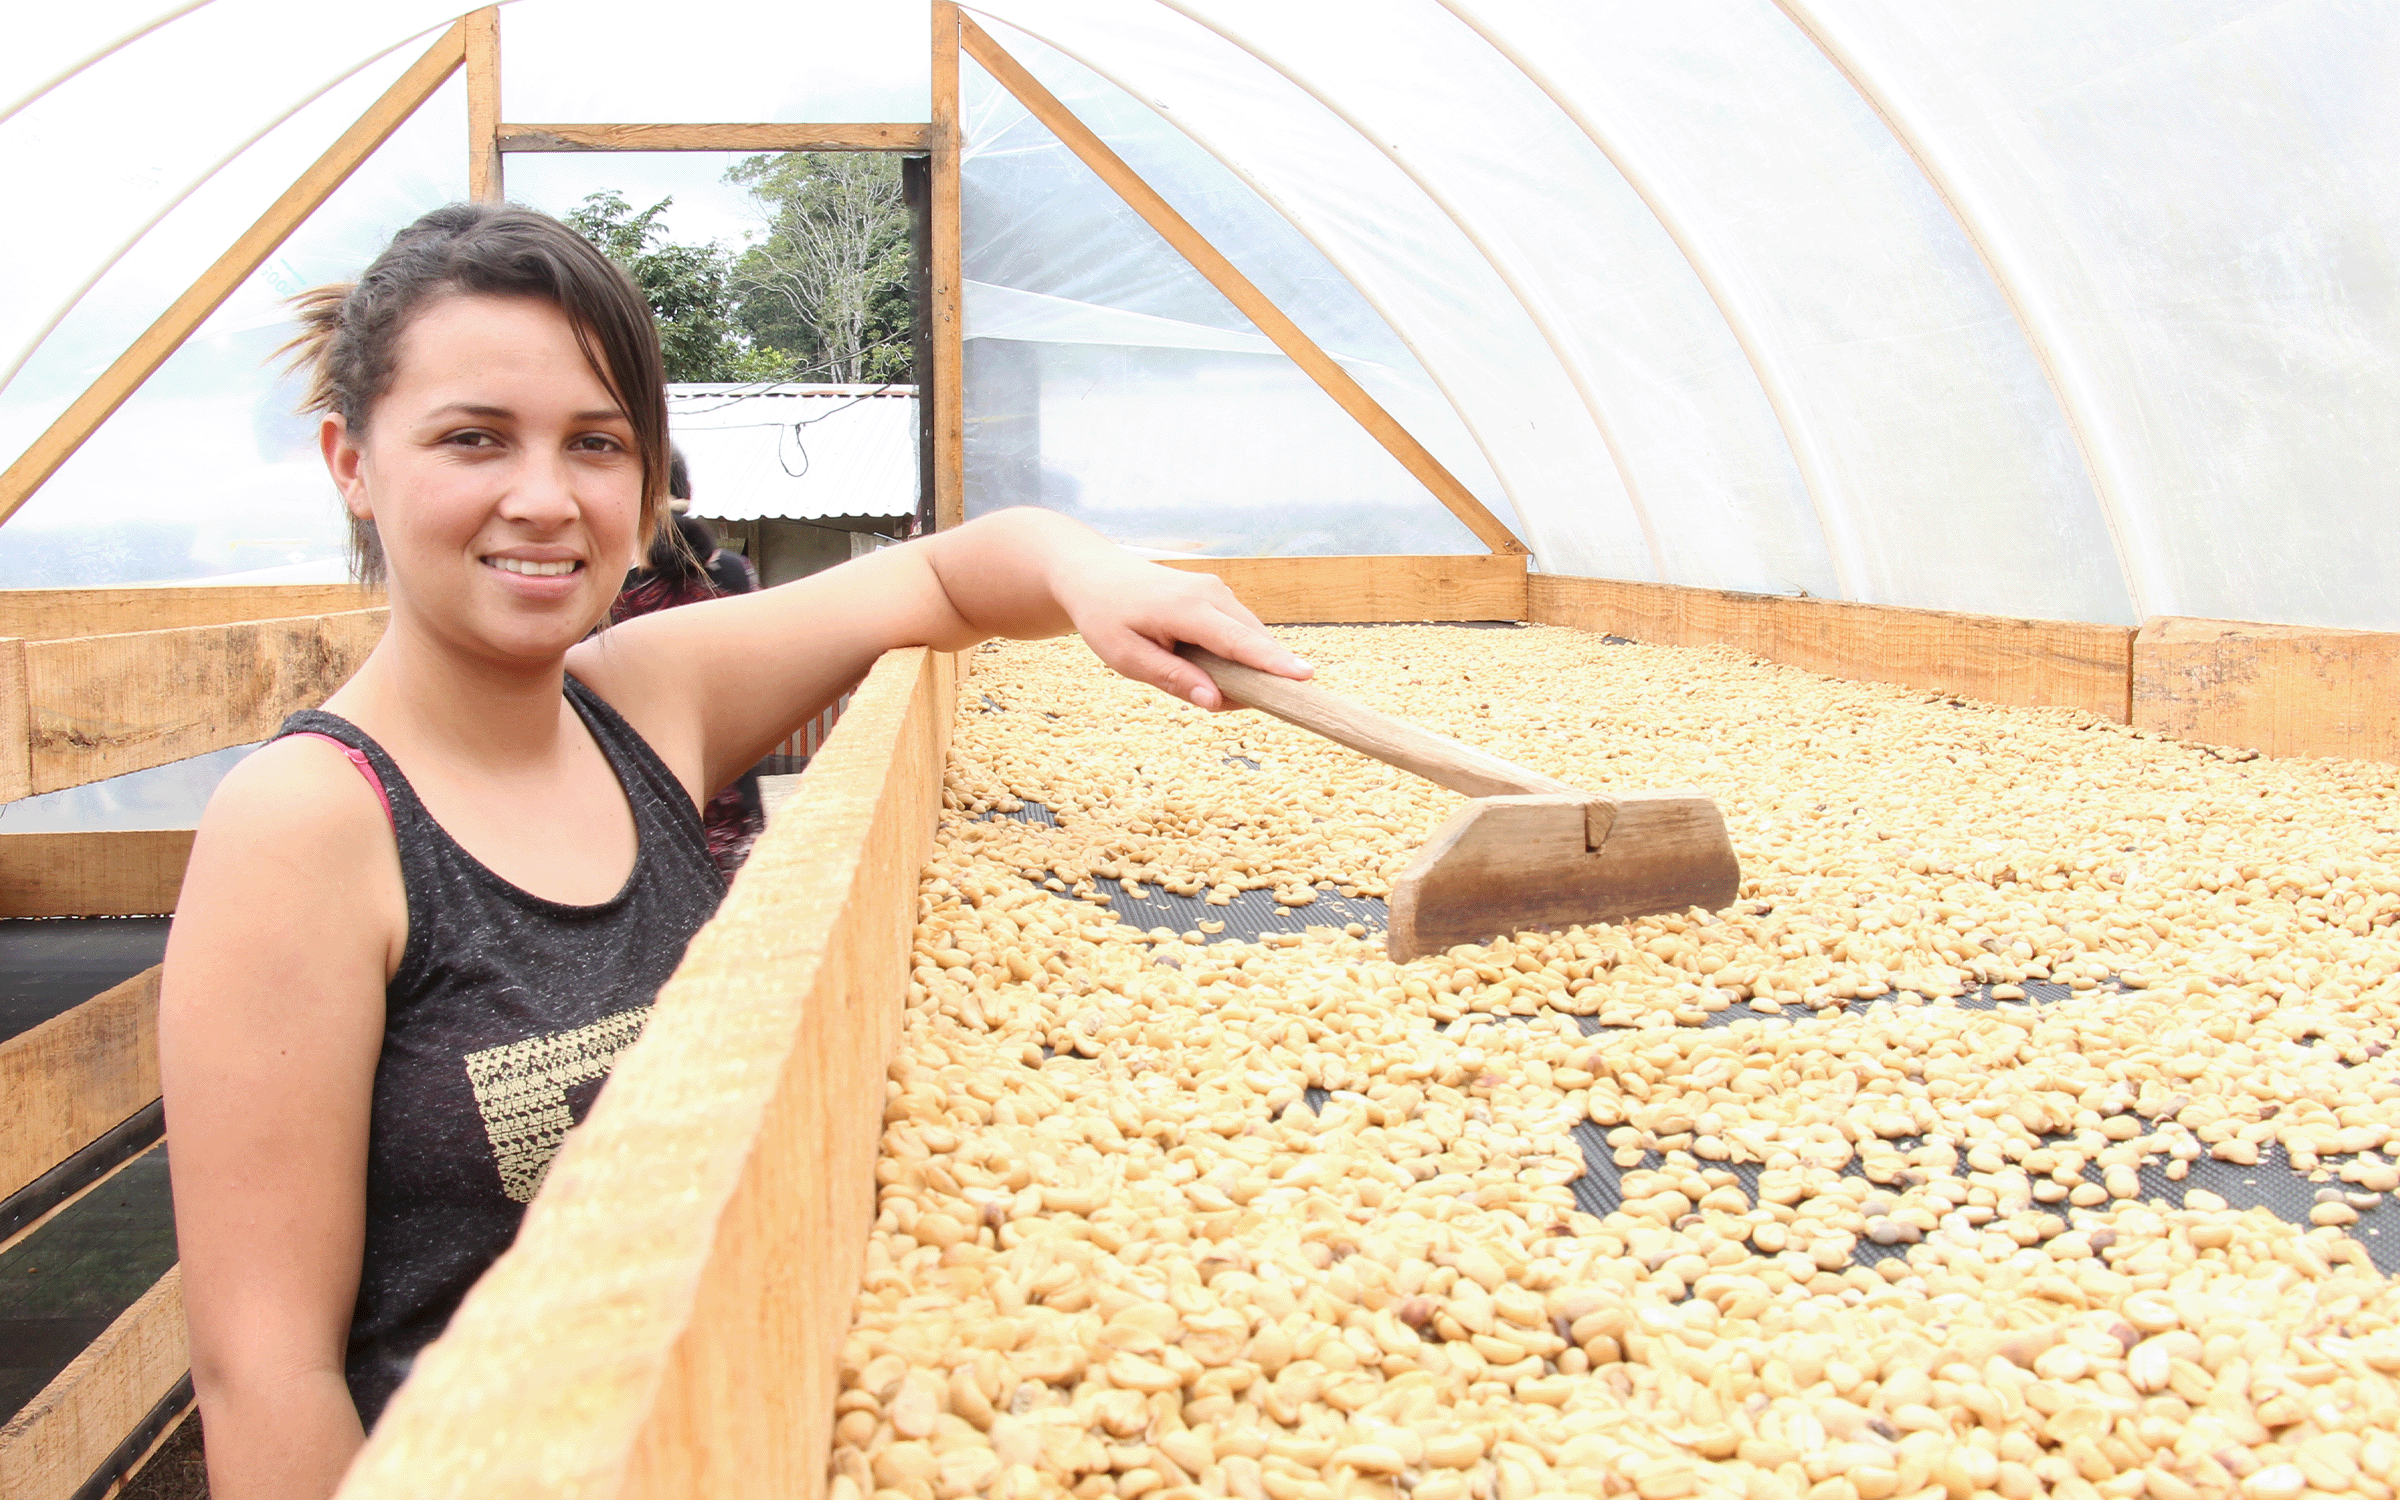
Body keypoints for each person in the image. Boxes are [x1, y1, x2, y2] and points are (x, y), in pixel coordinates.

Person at [156, 202, 1305, 1500]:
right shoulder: (312, 825)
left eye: (596, 444)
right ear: (351, 462)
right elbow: (264, 1376)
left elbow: (943, 581)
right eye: (473, 439)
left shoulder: (645, 698)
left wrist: (1098, 580)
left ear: (647, 481)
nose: (543, 498)